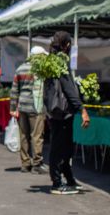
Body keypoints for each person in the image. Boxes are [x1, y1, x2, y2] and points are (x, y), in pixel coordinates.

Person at [44, 31, 90, 195]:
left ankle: (69, 179)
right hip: (62, 112)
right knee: (59, 147)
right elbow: (69, 90)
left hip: (54, 111)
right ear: (67, 45)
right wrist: (82, 109)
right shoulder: (60, 63)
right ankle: (56, 182)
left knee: (64, 147)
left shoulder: (50, 61)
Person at [10, 46, 49, 174]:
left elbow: (14, 90)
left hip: (22, 107)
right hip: (36, 107)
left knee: (24, 136)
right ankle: (37, 163)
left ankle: (25, 164)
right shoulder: (41, 70)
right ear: (38, 56)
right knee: (37, 136)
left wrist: (12, 107)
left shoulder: (20, 69)